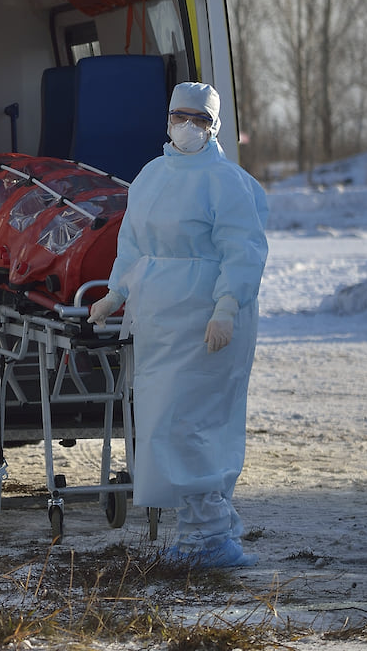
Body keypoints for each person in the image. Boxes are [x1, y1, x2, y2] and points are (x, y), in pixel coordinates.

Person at [89, 81, 268, 569]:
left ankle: (209, 539)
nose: (187, 127)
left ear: (214, 127)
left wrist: (228, 307)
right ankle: (206, 532)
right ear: (167, 119)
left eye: (199, 119)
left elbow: (243, 250)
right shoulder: (150, 175)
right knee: (166, 425)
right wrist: (116, 292)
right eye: (179, 117)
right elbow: (133, 243)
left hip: (205, 322)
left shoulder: (225, 181)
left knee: (194, 426)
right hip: (159, 323)